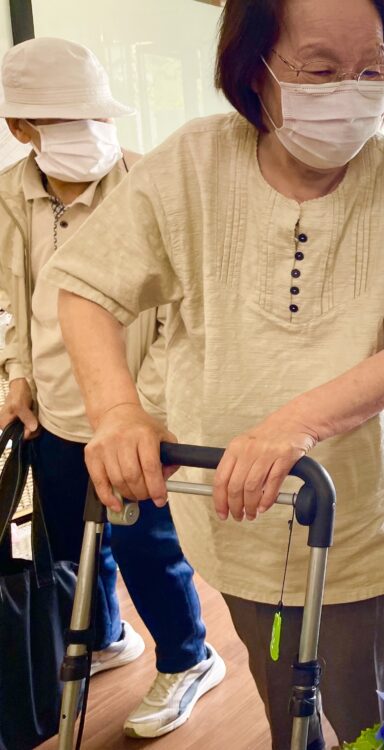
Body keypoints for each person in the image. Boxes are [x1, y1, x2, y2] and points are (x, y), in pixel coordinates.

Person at [43, 1, 384, 746]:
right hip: (234, 509)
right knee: (283, 697)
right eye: (320, 70)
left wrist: (293, 423)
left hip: (355, 513)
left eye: (373, 69)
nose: (352, 91)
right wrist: (116, 410)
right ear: (255, 71)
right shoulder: (194, 163)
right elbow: (86, 287)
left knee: (368, 709)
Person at [0, 38, 223, 738]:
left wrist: (143, 411)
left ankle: (189, 658)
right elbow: (19, 297)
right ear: (21, 129)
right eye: (68, 121)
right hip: (56, 415)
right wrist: (17, 377)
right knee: (68, 542)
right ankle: (104, 635)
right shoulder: (11, 195)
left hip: (136, 416)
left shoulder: (150, 185)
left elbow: (182, 319)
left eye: (97, 116)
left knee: (146, 545)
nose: (91, 134)